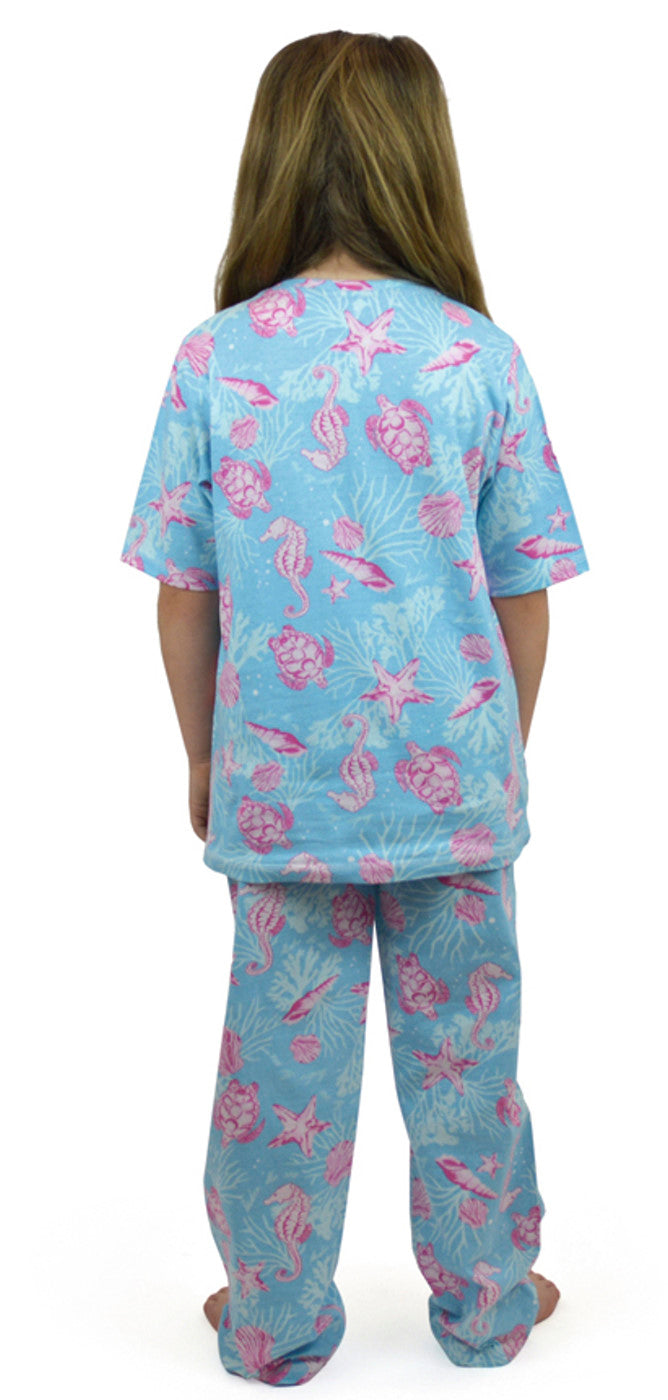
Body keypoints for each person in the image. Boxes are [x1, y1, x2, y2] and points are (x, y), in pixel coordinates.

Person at [120, 29, 589, 1384]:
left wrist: (203, 756)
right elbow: (525, 593)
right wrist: (497, 750)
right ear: (423, 163)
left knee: (281, 1064)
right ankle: (489, 1306)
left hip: (285, 790)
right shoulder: (479, 358)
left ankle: (273, 1320)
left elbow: (184, 596)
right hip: (455, 778)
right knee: (468, 1051)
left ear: (270, 162)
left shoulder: (216, 361)